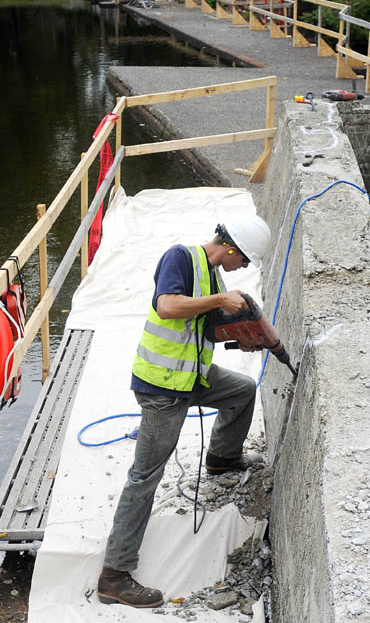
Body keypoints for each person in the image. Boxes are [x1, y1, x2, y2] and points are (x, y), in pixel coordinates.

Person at [97, 214, 272, 608]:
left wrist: (239, 336)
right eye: (243, 260)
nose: (243, 266)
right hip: (162, 388)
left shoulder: (213, 277)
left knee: (242, 390)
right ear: (231, 247)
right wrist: (220, 301)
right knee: (145, 477)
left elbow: (205, 329)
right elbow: (168, 306)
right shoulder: (179, 257)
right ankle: (115, 575)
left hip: (192, 376)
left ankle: (222, 460)